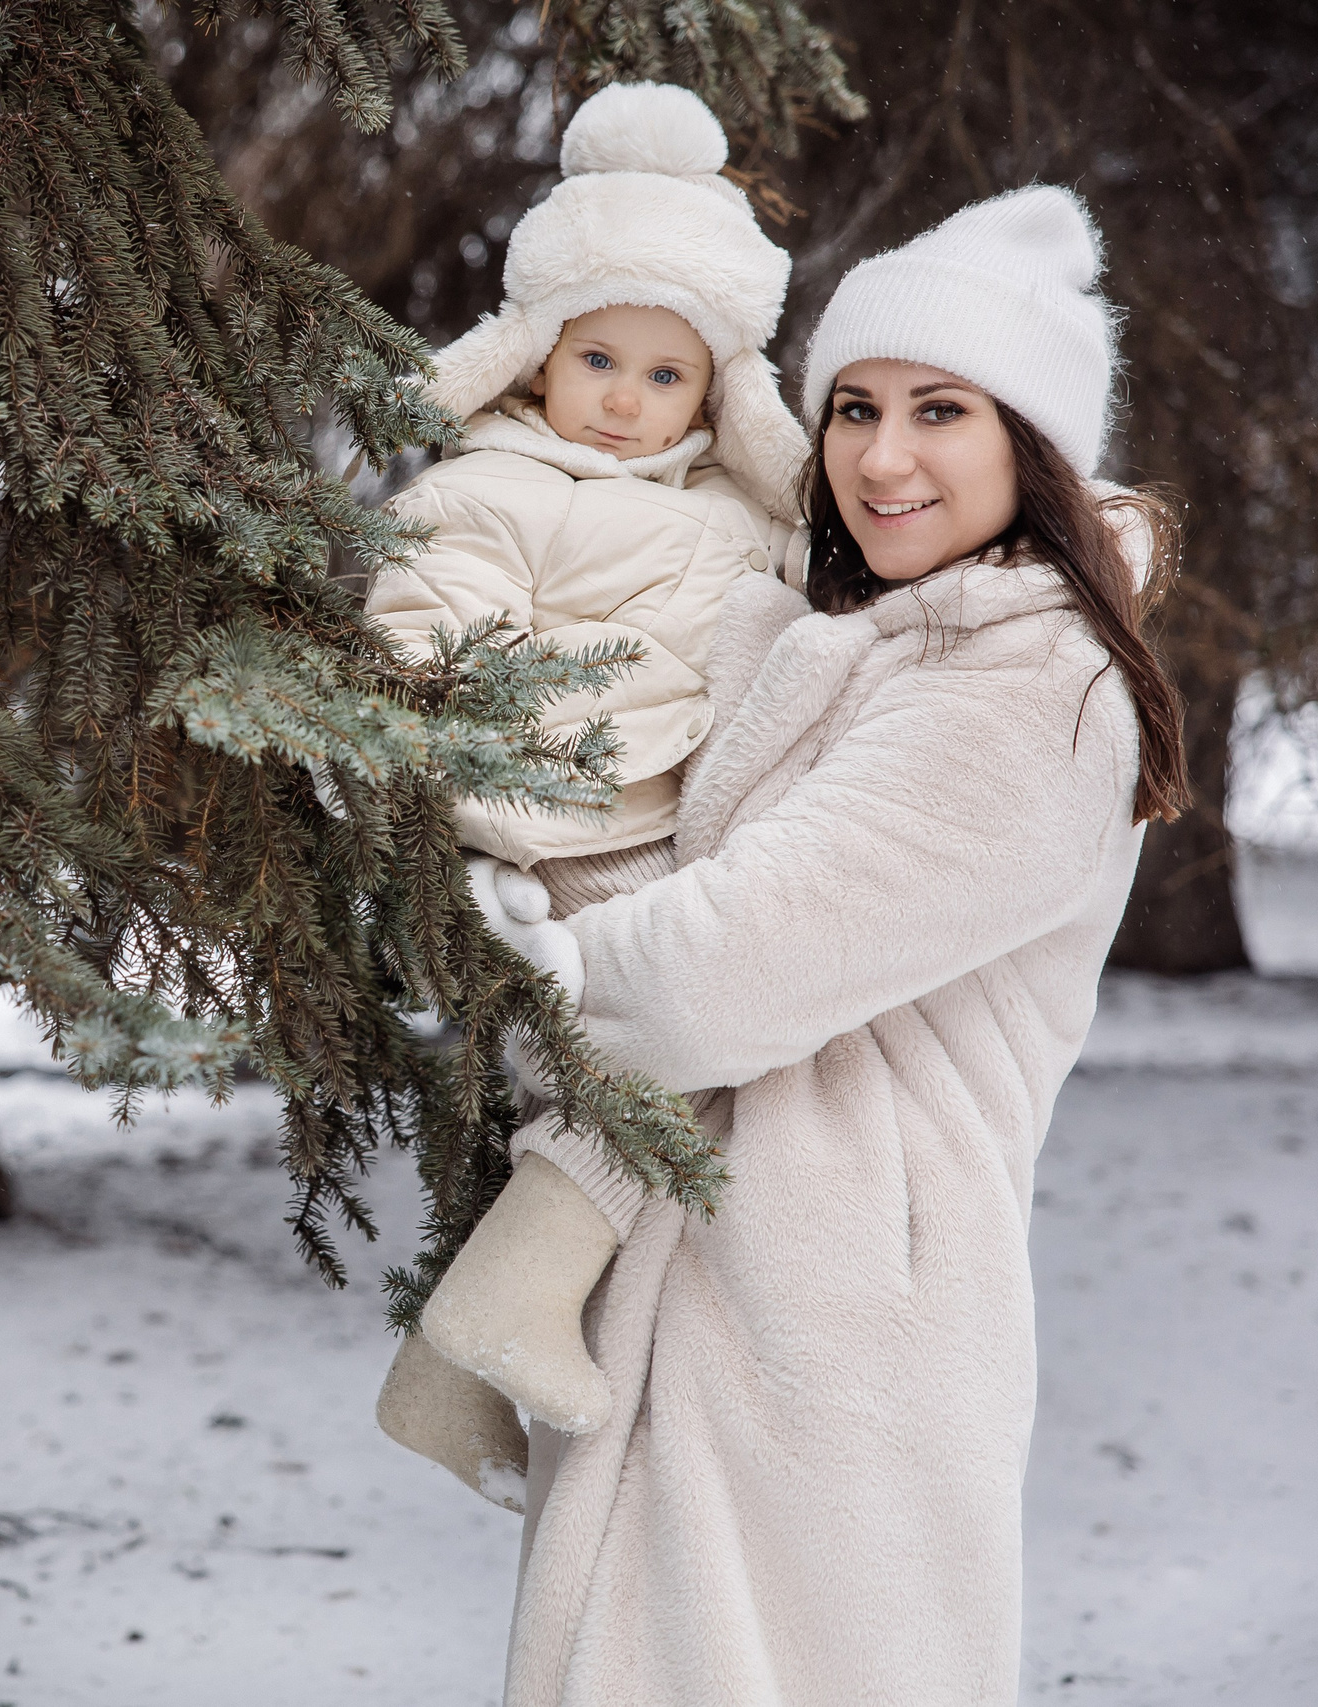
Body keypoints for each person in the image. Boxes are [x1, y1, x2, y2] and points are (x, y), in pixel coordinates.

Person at [434, 183, 1190, 1704]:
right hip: (724, 1273)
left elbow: (716, 974)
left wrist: (518, 971)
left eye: (940, 410)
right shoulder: (872, 649)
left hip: (830, 1317)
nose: (881, 456)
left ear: (1033, 447)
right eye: (851, 407)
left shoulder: (1033, 692)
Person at [364, 81, 810, 1503]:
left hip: (679, 834)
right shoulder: (483, 489)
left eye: (666, 375)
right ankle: (491, 1317)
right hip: (561, 843)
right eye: (598, 358)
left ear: (721, 391)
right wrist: (523, 803)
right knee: (688, 1060)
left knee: (706, 1067)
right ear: (535, 356)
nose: (625, 401)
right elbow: (427, 663)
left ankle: (453, 1368)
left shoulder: (738, 518)